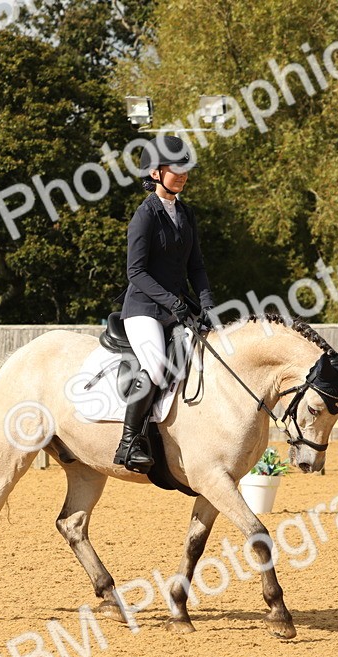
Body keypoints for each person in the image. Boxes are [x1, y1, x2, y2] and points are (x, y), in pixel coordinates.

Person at [113, 134, 216, 473]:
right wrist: (173, 301)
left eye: (187, 169)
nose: (184, 175)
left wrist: (207, 303)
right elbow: (136, 272)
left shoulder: (186, 214)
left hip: (178, 309)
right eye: (177, 169)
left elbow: (196, 266)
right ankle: (128, 442)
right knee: (156, 366)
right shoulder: (145, 216)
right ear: (156, 173)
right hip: (144, 309)